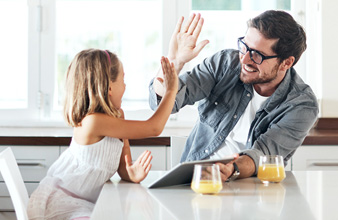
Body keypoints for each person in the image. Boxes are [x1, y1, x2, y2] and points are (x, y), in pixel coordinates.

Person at [149, 11, 319, 182]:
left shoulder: (301, 104)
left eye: (257, 55)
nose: (245, 59)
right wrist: (174, 62)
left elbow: (264, 154)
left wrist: (231, 169)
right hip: (197, 180)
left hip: (251, 188)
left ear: (287, 63)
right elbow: (164, 105)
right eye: (244, 46)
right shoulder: (224, 63)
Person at [27, 49, 178, 220]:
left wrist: (131, 174)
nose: (126, 86)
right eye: (123, 79)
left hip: (88, 202)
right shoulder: (92, 122)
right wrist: (171, 92)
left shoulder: (118, 116)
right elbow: (154, 128)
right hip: (64, 199)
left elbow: (123, 166)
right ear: (109, 87)